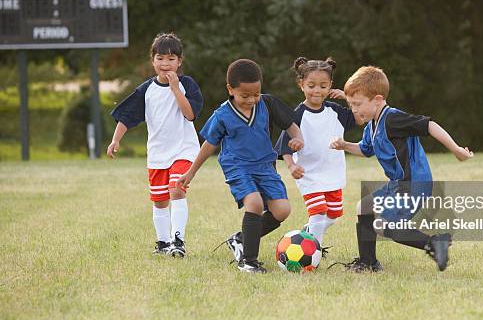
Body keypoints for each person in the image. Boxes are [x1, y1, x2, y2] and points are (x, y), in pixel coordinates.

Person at [330, 66, 473, 272]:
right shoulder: (372, 124)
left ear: (377, 100)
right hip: (398, 183)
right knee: (364, 208)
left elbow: (429, 125)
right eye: (351, 104)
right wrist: (345, 145)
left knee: (390, 228)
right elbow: (365, 150)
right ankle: (368, 262)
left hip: (414, 182)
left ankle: (435, 243)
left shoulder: (393, 119)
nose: (353, 110)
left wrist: (457, 150)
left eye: (357, 104)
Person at [177, 59, 304, 273]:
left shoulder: (268, 104)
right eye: (245, 96)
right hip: (237, 166)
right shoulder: (222, 115)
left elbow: (291, 125)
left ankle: (240, 239)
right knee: (253, 203)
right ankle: (249, 262)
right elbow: (209, 145)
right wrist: (190, 173)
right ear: (230, 89)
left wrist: (298, 139)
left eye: (256, 94)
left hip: (265, 166)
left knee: (282, 210)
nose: (252, 100)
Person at [107, 33, 203, 257]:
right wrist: (115, 139)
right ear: (153, 61)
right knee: (160, 201)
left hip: (184, 149)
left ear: (179, 62)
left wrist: (176, 89)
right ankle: (162, 244)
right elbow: (127, 116)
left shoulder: (187, 85)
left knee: (177, 191)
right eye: (160, 58)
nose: (165, 64)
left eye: (171, 59)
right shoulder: (146, 90)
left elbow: (190, 115)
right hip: (158, 153)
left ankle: (177, 241)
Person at [276, 57, 355, 250]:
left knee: (333, 214)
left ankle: (309, 232)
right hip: (308, 173)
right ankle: (314, 249)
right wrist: (292, 165)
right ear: (301, 84)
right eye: (311, 85)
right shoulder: (296, 115)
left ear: (330, 86)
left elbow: (360, 117)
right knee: (319, 211)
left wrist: (348, 97)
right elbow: (283, 146)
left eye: (323, 85)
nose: (317, 91)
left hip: (332, 172)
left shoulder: (336, 111)